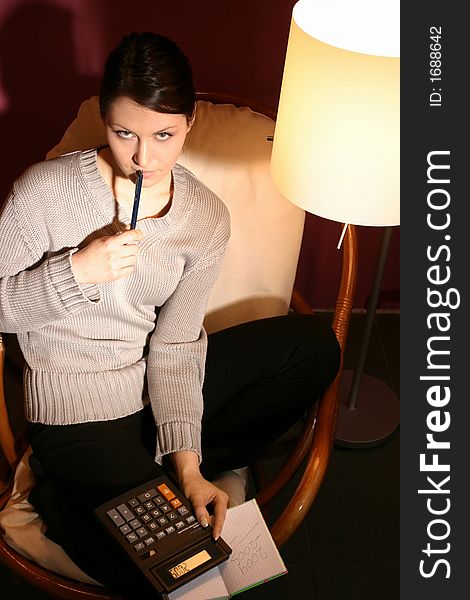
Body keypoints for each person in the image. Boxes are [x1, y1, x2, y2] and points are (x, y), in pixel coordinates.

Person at [0, 32, 340, 597]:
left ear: (189, 124)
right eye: (124, 133)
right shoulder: (45, 191)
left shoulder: (203, 216)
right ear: (104, 121)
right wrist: (75, 273)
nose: (143, 158)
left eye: (164, 135)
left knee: (313, 347)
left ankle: (159, 477)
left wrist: (186, 462)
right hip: (74, 408)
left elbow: (178, 344)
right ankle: (64, 494)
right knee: (177, 570)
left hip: (152, 389)